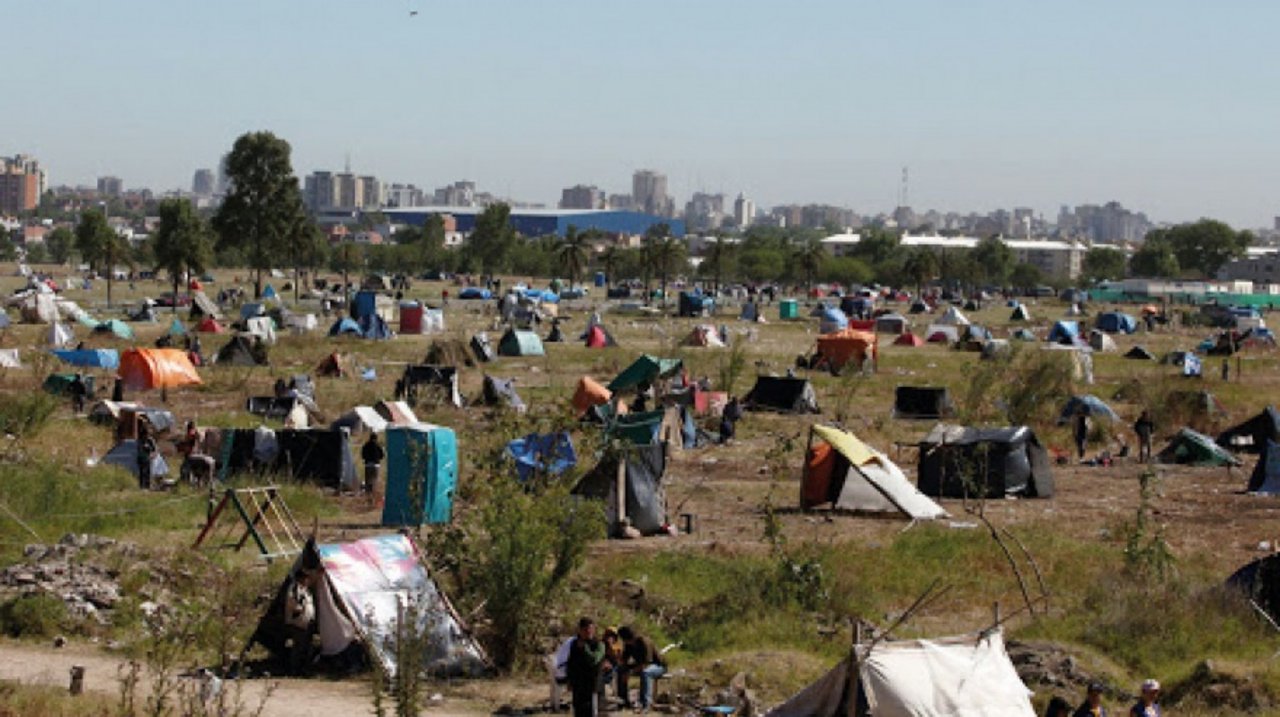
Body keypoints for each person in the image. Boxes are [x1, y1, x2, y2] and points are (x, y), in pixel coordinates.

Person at [617, 626, 666, 712]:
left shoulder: (644, 642)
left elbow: (646, 664)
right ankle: (623, 700)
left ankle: (646, 704)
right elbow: (625, 659)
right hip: (641, 665)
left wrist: (631, 672)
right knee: (621, 670)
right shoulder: (628, 644)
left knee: (646, 673)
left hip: (658, 666)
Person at [566, 617, 605, 717]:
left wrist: (584, 648)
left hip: (593, 684)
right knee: (579, 711)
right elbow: (571, 663)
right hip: (578, 685)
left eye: (590, 629)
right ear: (580, 630)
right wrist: (570, 680)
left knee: (592, 712)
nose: (588, 632)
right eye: (585, 629)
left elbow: (594, 660)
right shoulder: (575, 644)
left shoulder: (599, 644)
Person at [136, 422, 157, 490]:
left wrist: (152, 455)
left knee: (148, 472)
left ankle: (147, 486)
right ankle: (142, 486)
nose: (147, 435)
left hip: (148, 459)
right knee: (142, 472)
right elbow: (139, 449)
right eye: (146, 434)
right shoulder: (140, 441)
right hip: (141, 458)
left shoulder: (150, 440)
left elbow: (154, 449)